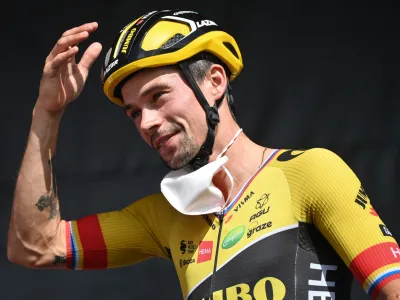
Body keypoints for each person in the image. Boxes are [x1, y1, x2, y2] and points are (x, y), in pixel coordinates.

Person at [6, 8, 400, 300]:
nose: (146, 123)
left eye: (158, 96)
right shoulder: (164, 217)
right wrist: (48, 113)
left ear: (214, 82)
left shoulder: (310, 172)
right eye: (134, 112)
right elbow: (35, 247)